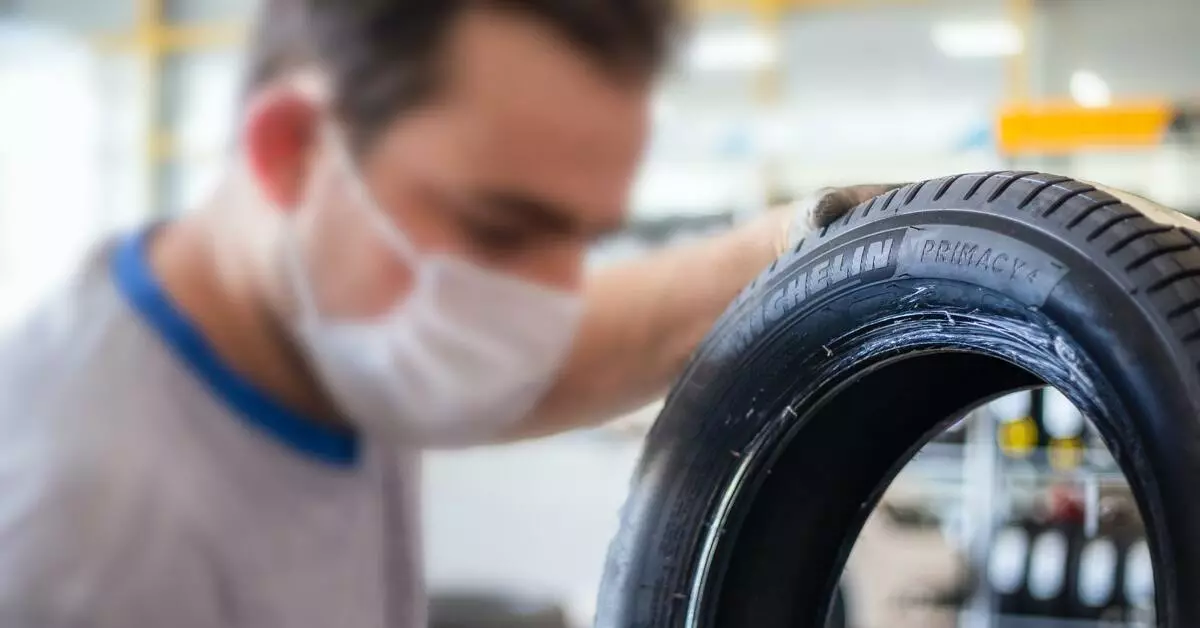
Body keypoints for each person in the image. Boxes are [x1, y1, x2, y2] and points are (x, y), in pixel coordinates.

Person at [0, 1, 897, 626]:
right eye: (502, 226)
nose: (545, 294)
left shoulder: (326, 331)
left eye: (578, 235)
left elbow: (596, 340)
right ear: (293, 152)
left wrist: (809, 239)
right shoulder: (80, 534)